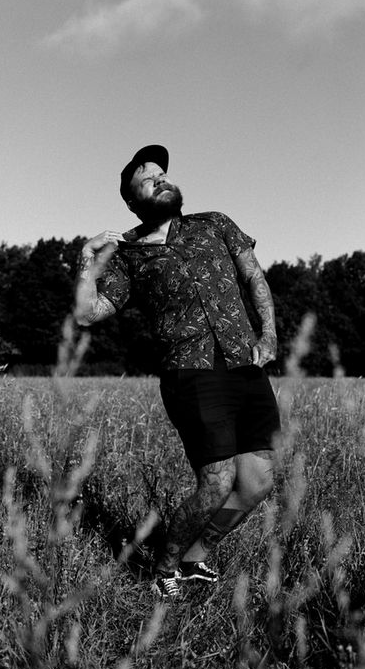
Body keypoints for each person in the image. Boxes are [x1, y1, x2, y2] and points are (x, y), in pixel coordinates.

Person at [74, 145, 280, 598]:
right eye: (148, 179)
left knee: (258, 481)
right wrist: (87, 257)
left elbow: (253, 277)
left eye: (162, 174)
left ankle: (195, 557)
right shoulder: (127, 254)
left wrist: (268, 333)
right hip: (191, 372)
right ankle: (163, 570)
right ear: (132, 201)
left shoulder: (215, 224)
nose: (161, 180)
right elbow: (88, 314)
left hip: (246, 363)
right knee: (217, 482)